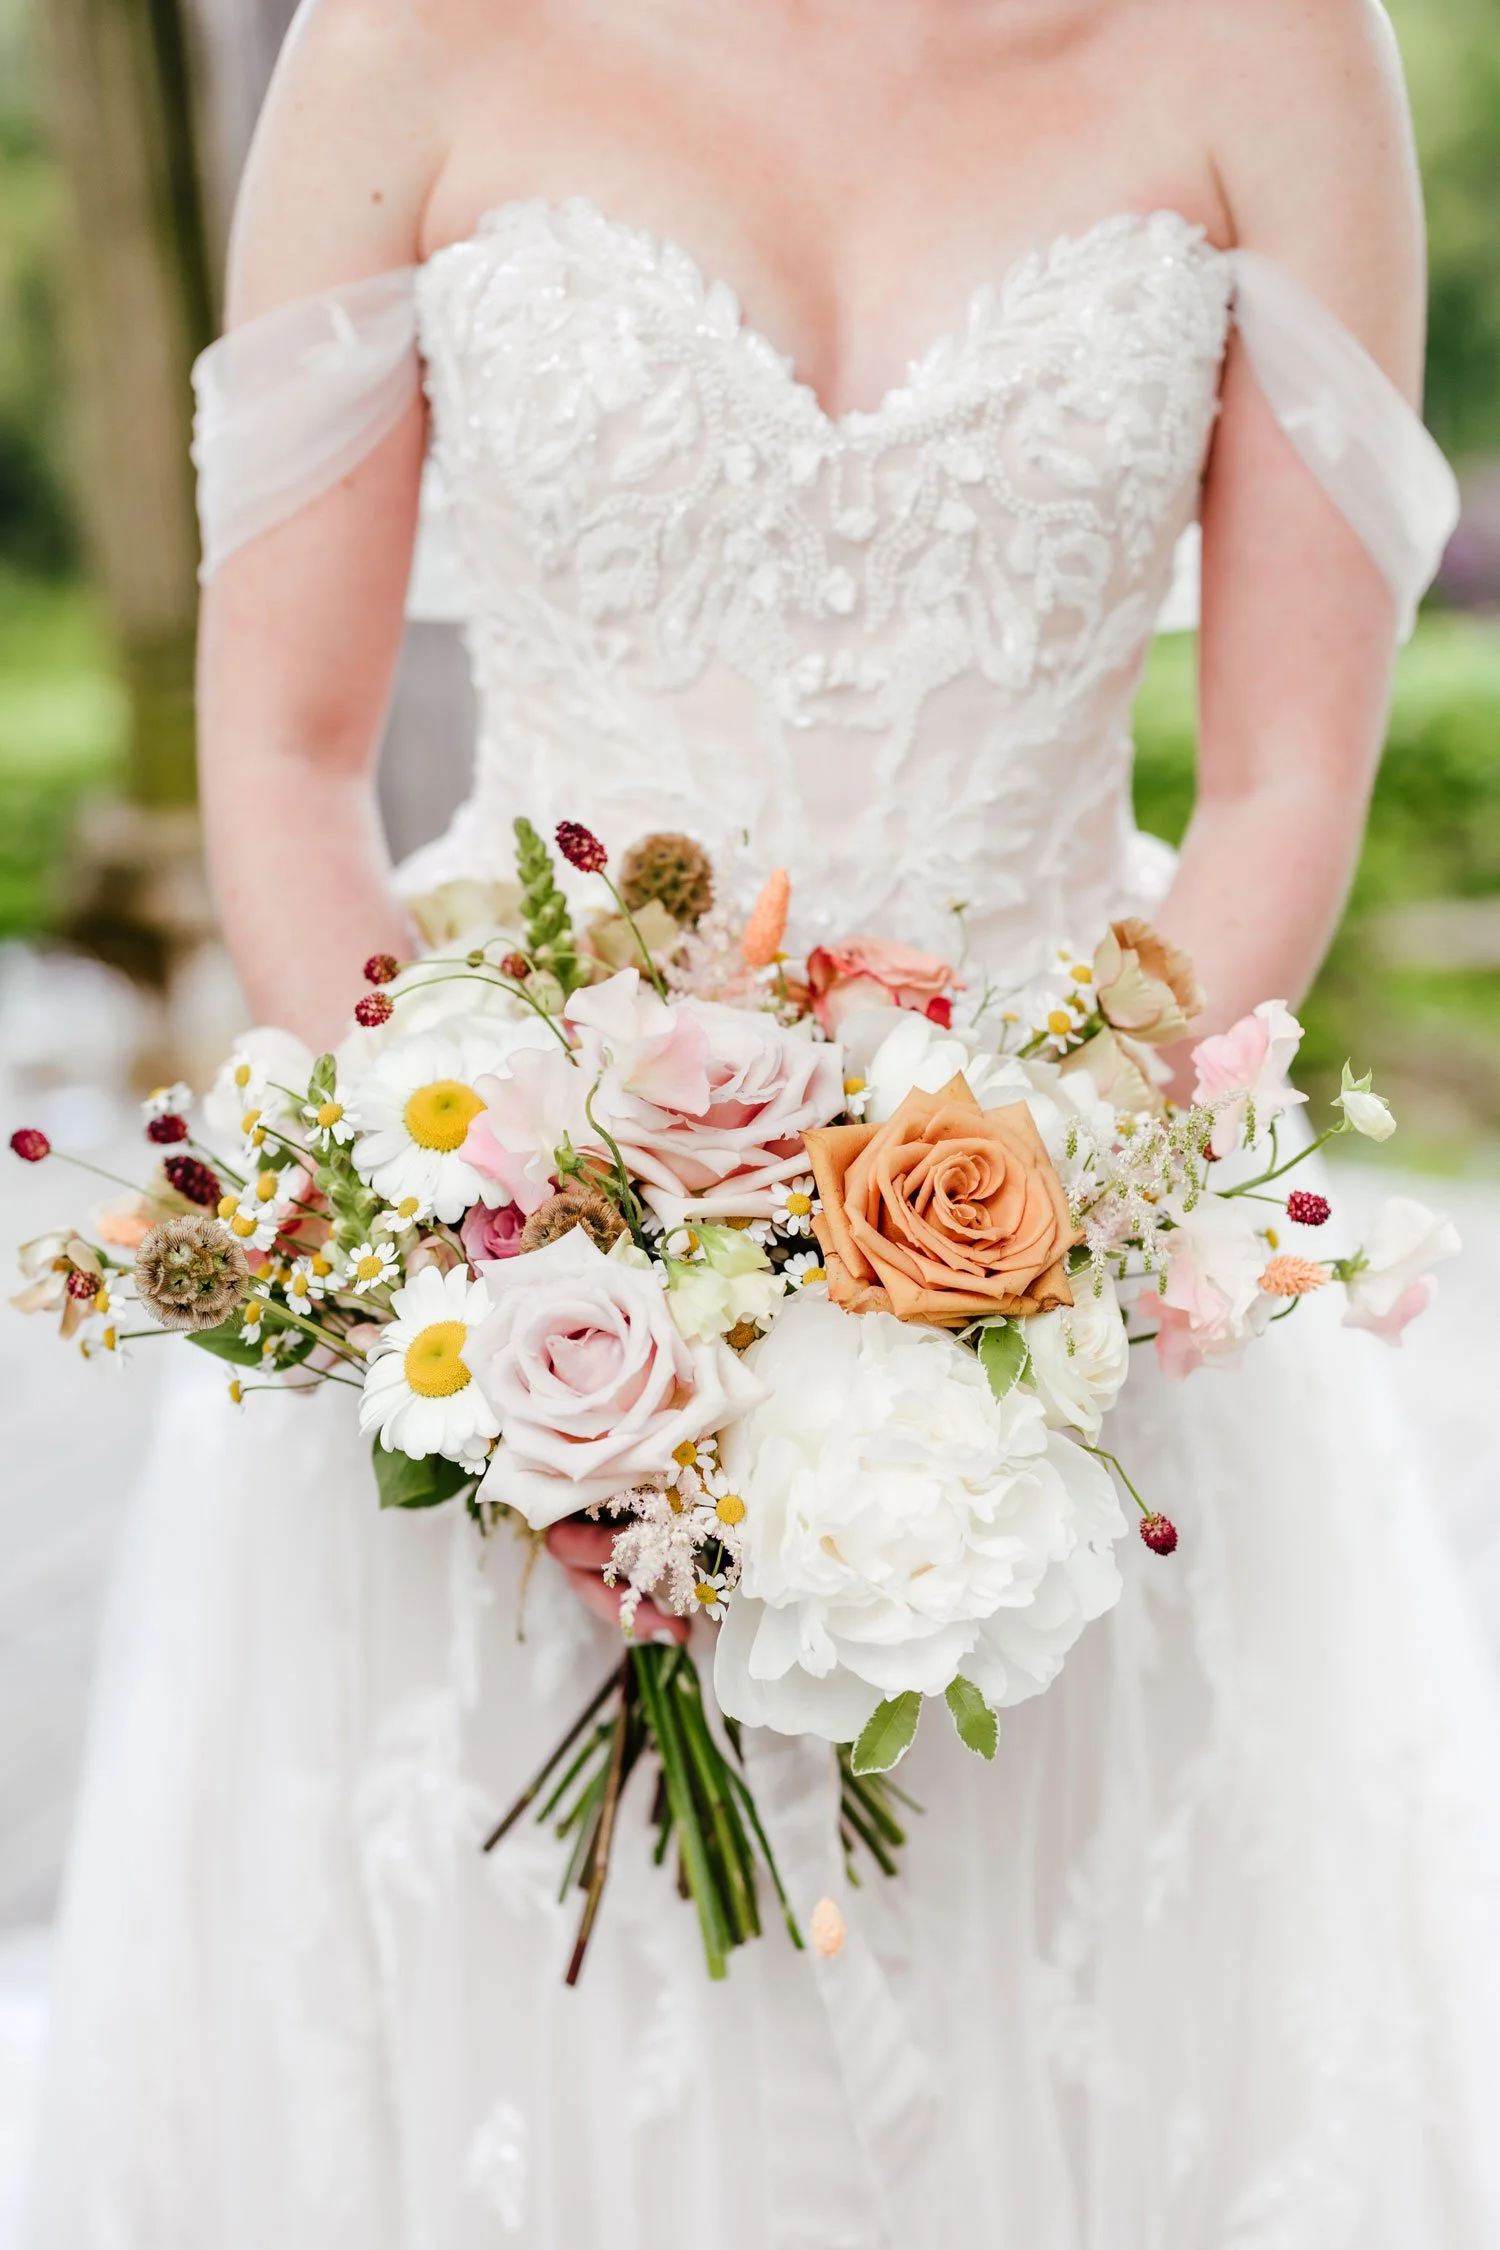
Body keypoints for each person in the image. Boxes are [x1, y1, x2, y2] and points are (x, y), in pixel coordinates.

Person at [24, 2, 1500, 2243]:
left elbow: (1287, 778)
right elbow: (291, 760)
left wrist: (1020, 1249)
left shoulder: (1278, 45)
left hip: (1082, 1310)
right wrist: (513, 1268)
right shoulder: (408, 40)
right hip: (511, 1293)